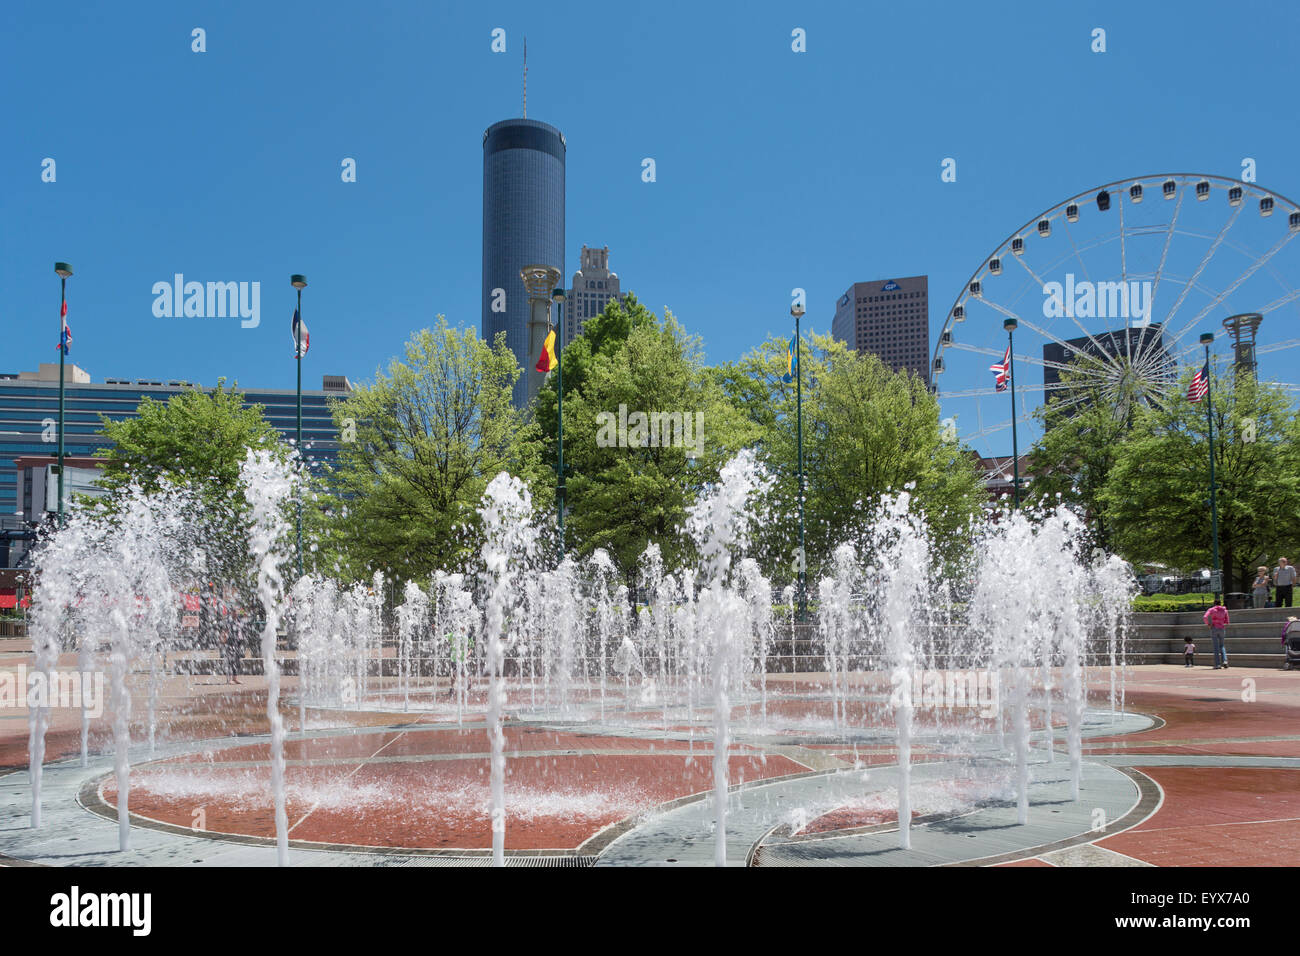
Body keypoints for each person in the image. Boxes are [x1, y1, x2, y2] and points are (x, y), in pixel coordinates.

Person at [1204, 599, 1230, 669]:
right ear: (1220, 603)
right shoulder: (1224, 610)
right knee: (1222, 646)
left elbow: (1205, 617)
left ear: (1214, 603)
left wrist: (1208, 624)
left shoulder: (1211, 609)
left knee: (1216, 647)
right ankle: (1225, 661)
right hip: (1222, 628)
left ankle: (1217, 664)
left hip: (1214, 628)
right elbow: (1227, 621)